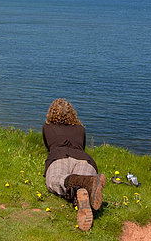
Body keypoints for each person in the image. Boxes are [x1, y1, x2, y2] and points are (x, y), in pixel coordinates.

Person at [42, 98, 106, 231]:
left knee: (55, 180)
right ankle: (84, 191)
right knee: (83, 181)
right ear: (72, 113)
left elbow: (48, 146)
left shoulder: (47, 128)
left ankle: (81, 188)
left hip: (59, 156)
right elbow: (81, 146)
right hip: (84, 159)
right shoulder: (81, 129)